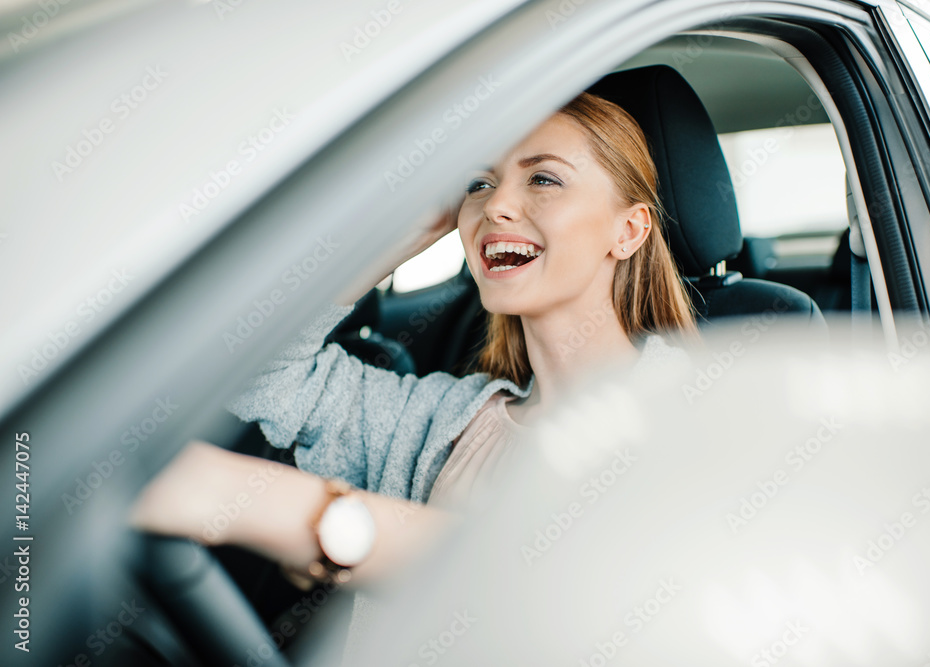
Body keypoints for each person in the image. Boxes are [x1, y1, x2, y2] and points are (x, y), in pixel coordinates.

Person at [129, 91, 697, 594]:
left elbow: (558, 577)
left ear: (629, 231)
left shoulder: (696, 406)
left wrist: (257, 501)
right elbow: (254, 371)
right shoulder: (439, 421)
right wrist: (409, 233)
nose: (495, 204)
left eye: (543, 178)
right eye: (479, 183)